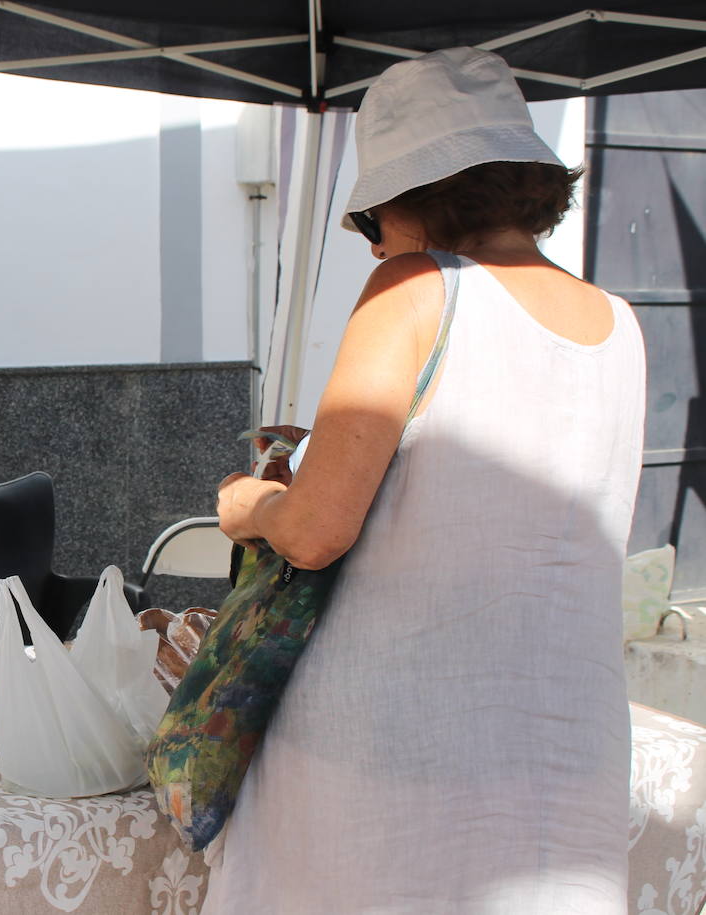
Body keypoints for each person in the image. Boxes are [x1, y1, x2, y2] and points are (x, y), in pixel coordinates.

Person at [208, 48, 645, 911]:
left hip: (394, 755)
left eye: (372, 217)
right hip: (567, 756)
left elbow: (316, 530)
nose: (373, 241)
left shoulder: (413, 286)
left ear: (417, 194)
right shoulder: (622, 325)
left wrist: (249, 504)